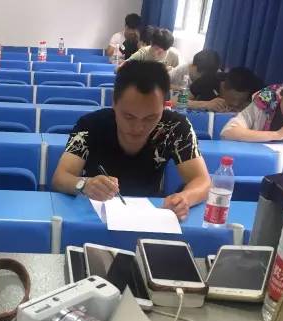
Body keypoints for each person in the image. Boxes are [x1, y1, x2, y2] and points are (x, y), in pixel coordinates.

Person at [52, 61, 210, 221]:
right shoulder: (91, 125)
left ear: (164, 106)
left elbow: (202, 180)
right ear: (114, 103)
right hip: (93, 215)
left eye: (150, 118)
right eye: (128, 116)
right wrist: (84, 185)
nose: (138, 127)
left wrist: (184, 199)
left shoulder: (174, 127)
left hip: (148, 217)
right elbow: (60, 177)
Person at [189, 67, 263, 113]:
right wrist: (205, 104)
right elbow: (181, 100)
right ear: (223, 87)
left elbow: (268, 104)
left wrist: (249, 106)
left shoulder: (255, 86)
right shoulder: (206, 81)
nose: (236, 104)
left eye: (242, 100)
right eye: (233, 98)